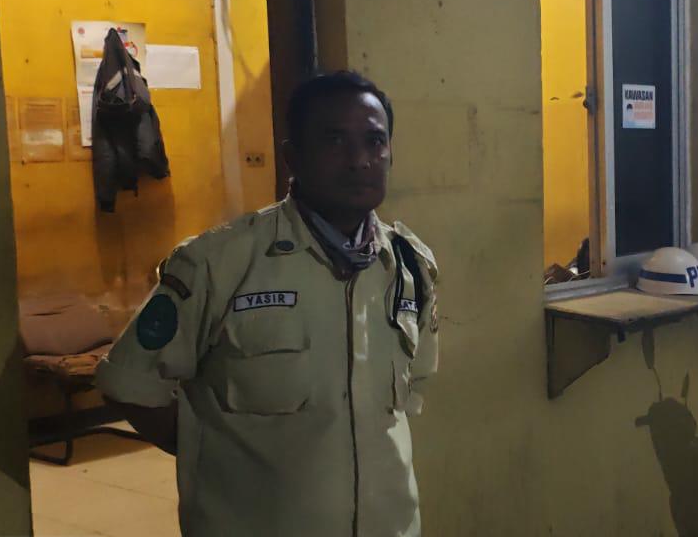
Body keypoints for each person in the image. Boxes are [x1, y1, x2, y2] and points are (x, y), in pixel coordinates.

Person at [96, 71, 440, 537]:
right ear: (293, 157)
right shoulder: (218, 263)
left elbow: (411, 390)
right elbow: (130, 384)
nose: (360, 160)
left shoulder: (409, 266)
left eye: (375, 141)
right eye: (335, 140)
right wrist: (215, 455)